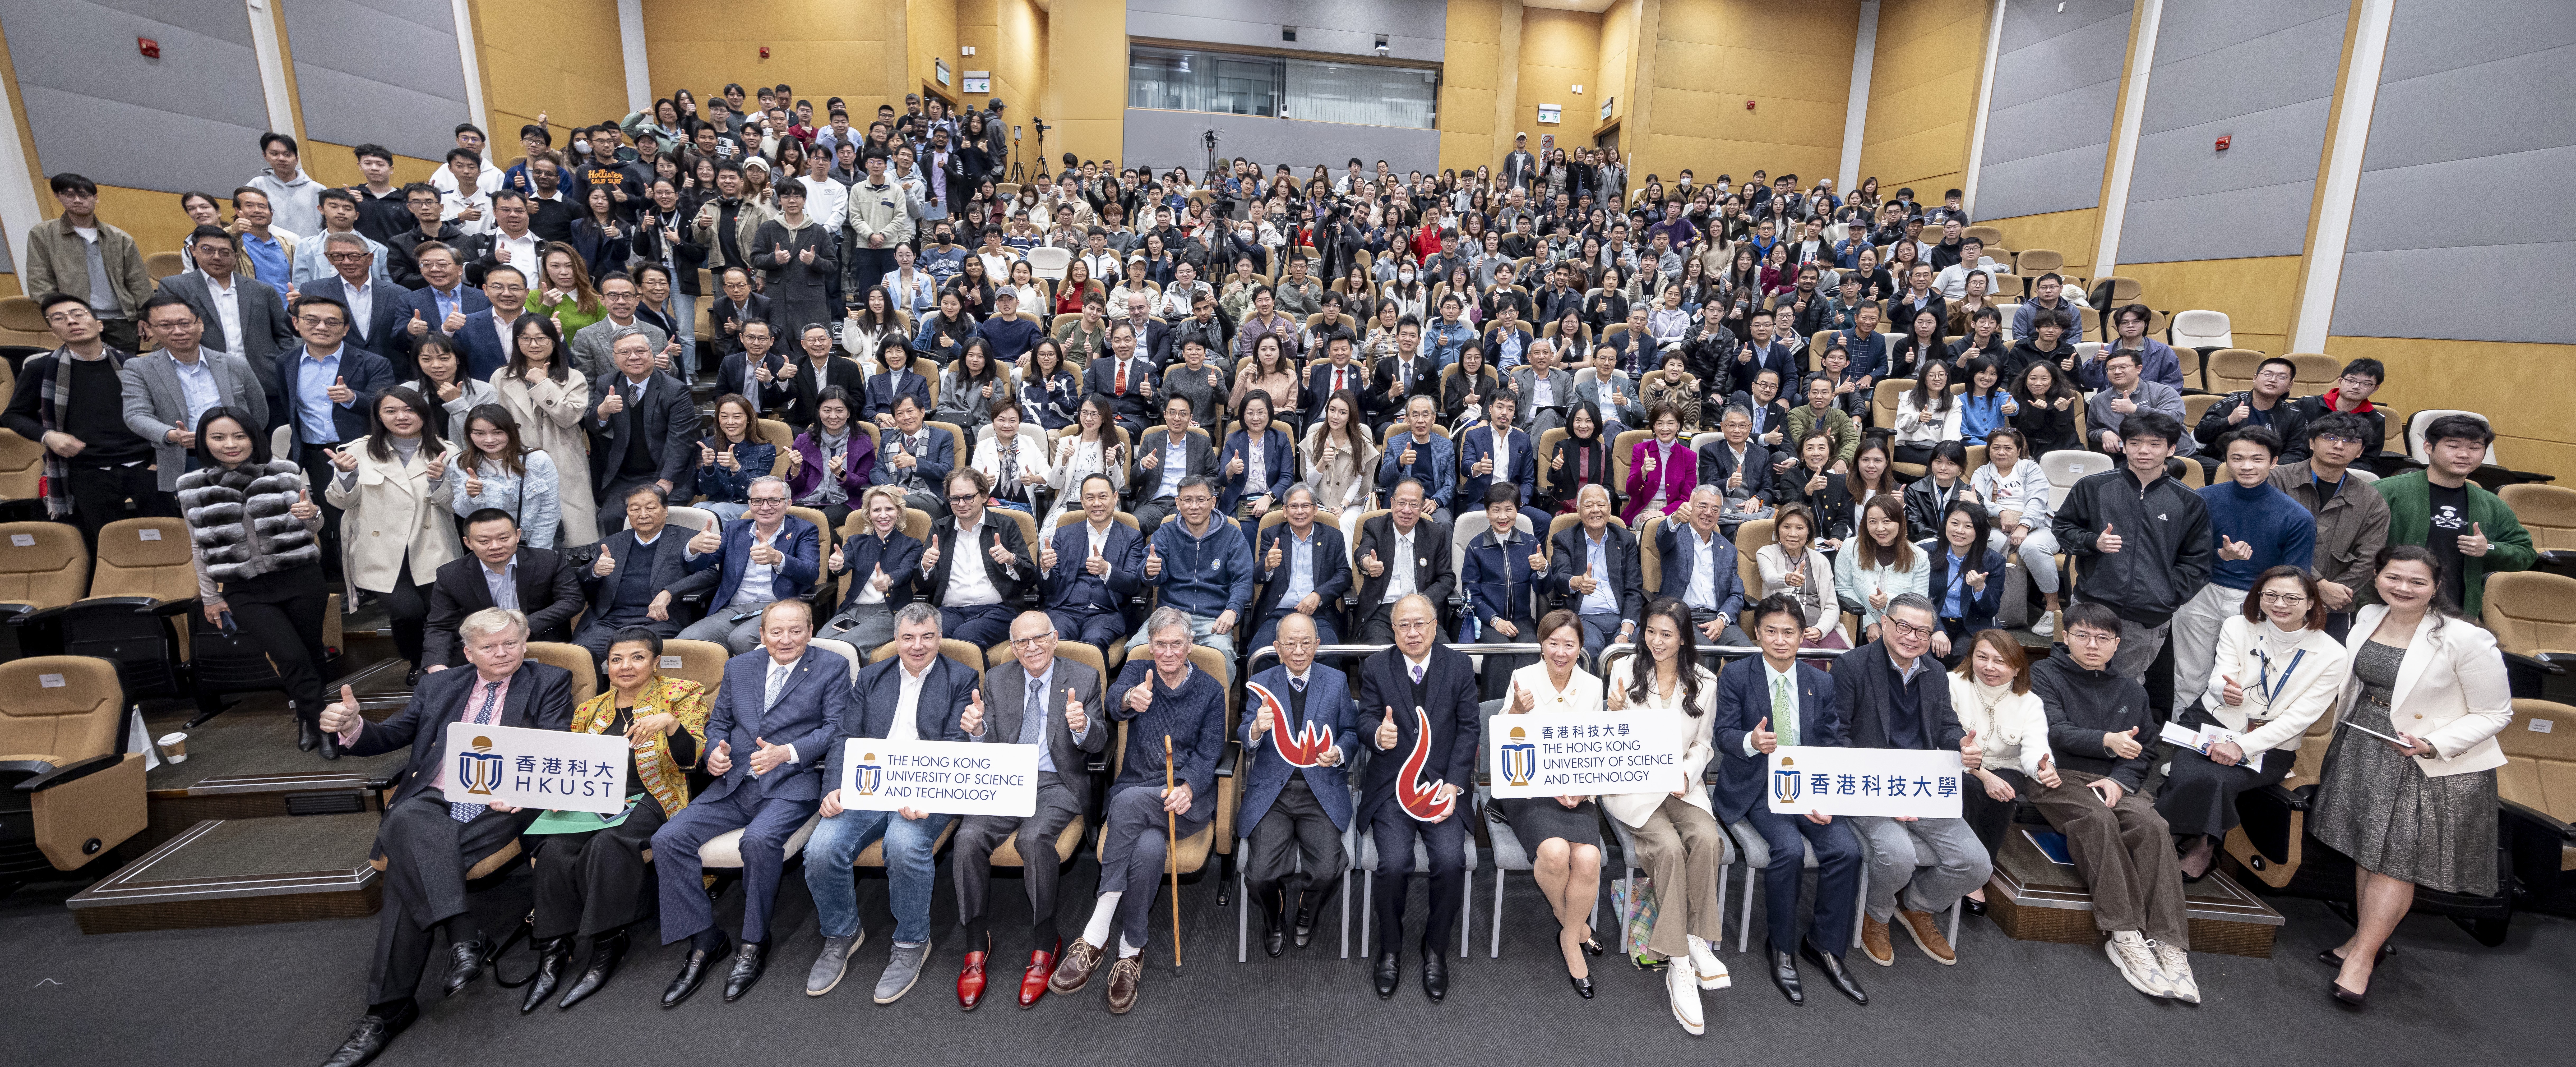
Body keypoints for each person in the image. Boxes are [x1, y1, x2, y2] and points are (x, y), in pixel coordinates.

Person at [312, 609, 572, 1067]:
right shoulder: (439, 685)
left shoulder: (550, 680)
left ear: (526, 640)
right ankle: (463, 935)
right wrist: (353, 725)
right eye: (489, 648)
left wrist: (519, 788)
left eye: (511, 643)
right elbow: (392, 734)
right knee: (410, 814)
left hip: (497, 806)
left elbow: (554, 744)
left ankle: (386, 1011)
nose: (503, 653)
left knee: (407, 867)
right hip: (435, 799)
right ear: (468, 653)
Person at [2310, 545, 2515, 1007]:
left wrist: (2434, 743)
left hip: (2428, 759)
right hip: (2365, 741)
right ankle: (2366, 940)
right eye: (2393, 578)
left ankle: (2360, 958)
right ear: (2377, 577)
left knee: (2395, 859)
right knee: (2369, 848)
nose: (2403, 588)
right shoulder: (2367, 616)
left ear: (2436, 587)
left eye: (2417, 582)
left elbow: (2496, 712)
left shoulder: (2465, 638)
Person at [648, 601, 846, 1006]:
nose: (786, 639)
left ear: (811, 632)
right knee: (668, 839)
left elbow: (836, 730)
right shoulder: (739, 668)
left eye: (796, 631)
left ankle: (753, 942)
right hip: (734, 783)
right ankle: (705, 938)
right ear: (762, 634)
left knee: (757, 842)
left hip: (792, 783)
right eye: (776, 632)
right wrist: (714, 753)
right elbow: (718, 722)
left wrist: (787, 752)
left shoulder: (831, 667)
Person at [1046, 608, 1227, 1013]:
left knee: (1125, 803)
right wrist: (1130, 697)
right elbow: (1114, 703)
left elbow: (1208, 753)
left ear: (1190, 647)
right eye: (1158, 644)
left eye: (1175, 644)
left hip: (1184, 802)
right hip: (1140, 793)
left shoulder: (1212, 690)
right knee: (1147, 851)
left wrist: (1189, 787)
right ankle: (1131, 951)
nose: (1165, 653)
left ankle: (1095, 931)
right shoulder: (1136, 670)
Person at [522, 628, 710, 1013]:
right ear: (606, 665)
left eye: (638, 657)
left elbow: (693, 760)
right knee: (555, 850)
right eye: (617, 659)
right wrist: (560, 795)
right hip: (595, 799)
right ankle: (554, 948)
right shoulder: (590, 709)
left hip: (655, 796)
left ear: (656, 662)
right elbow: (573, 765)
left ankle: (607, 943)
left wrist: (669, 724)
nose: (626, 666)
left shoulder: (682, 694)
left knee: (609, 844)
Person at [801, 603, 975, 1004]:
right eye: (908, 638)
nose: (917, 646)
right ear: (894, 639)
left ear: (939, 638)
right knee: (821, 849)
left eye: (927, 637)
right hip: (870, 786)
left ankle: (911, 942)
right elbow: (845, 737)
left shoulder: (962, 677)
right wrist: (835, 787)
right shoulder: (870, 676)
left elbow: (955, 744)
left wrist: (925, 792)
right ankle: (841, 934)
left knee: (904, 844)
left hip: (925, 790)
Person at [2027, 602, 2200, 1002]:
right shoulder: (2043, 674)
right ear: (2065, 636)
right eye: (2082, 636)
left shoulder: (2130, 689)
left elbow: (2143, 751)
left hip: (2114, 780)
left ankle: (2169, 944)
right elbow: (2052, 731)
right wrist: (2105, 741)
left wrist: (2120, 782)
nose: (2092, 645)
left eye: (2103, 638)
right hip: (2056, 775)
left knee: (2153, 826)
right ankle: (2123, 934)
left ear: (2117, 644)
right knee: (2096, 820)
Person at [1713, 594, 1869, 1006]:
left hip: (1810, 787)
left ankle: (1823, 946)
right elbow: (1723, 736)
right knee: (1787, 851)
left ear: (1803, 636)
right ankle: (1780, 947)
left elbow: (1833, 742)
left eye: (1788, 632)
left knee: (1846, 852)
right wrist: (1751, 741)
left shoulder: (1820, 681)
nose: (1779, 640)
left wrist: (1827, 793)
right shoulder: (1735, 675)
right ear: (1756, 633)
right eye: (1770, 631)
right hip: (1760, 788)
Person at [951, 610, 1109, 1006]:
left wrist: (1081, 727)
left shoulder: (1084, 676)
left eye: (1039, 638)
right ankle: (975, 943)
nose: (1032, 647)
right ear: (1012, 647)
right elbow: (986, 745)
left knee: (1034, 838)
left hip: (1057, 782)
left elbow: (1101, 741)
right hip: (1006, 779)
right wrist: (977, 731)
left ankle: (1045, 942)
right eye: (1022, 642)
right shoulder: (997, 679)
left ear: (1055, 639)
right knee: (967, 838)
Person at [2162, 565, 2348, 880]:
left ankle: (2202, 846)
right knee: (2187, 771)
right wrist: (2225, 691)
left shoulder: (2333, 654)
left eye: (2292, 598)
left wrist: (2241, 746)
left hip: (2269, 743)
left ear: (2311, 602)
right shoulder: (2238, 625)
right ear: (2258, 596)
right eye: (2271, 595)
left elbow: (2299, 719)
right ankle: (2168, 835)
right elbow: (2221, 674)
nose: (2280, 604)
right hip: (2213, 721)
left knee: (2219, 780)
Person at [1835, 593, 1991, 968]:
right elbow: (1835, 736)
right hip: (1867, 785)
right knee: (1898, 855)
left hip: (1919, 783)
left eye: (1922, 631)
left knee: (1975, 863)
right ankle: (1876, 913)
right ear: (1885, 623)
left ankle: (1918, 906)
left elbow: (1946, 727)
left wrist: (1961, 748)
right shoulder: (1851, 666)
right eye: (1903, 626)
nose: (1912, 637)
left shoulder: (1935, 672)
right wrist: (1882, 791)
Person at [1602, 599, 1731, 1031]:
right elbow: (1603, 740)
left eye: (1666, 634)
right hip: (1635, 786)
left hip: (1679, 784)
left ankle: (1696, 940)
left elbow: (1704, 744)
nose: (1656, 642)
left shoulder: (1705, 681)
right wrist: (1613, 711)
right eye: (1651, 632)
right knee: (1669, 849)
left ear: (1682, 638)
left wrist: (1688, 771)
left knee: (1708, 839)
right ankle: (1679, 960)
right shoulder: (1623, 671)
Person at [174, 409, 327, 753]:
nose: (230, 444)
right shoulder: (191, 486)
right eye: (219, 437)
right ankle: (323, 722)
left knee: (310, 652)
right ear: (205, 442)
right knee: (288, 655)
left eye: (239, 436)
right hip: (245, 589)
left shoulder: (284, 472)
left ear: (253, 437)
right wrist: (210, 597)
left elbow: (314, 527)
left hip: (300, 577)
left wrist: (313, 515)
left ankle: (311, 718)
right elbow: (198, 545)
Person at [1354, 594, 1479, 1002]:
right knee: (1392, 864)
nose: (1411, 632)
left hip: (1442, 786)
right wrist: (1377, 734)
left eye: (1419, 624)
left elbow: (1468, 729)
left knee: (1449, 861)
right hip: (1392, 788)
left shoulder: (1459, 666)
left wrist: (1455, 783)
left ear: (1434, 624)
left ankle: (1435, 950)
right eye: (1402, 626)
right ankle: (1390, 947)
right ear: (1392, 631)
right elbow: (1365, 718)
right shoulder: (1375, 667)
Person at [2053, 411, 2212, 691]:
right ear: (2124, 445)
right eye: (2136, 442)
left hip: (2148, 615)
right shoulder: (2094, 486)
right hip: (2094, 605)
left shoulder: (2189, 501)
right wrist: (2093, 542)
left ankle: (2117, 737)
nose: (2144, 451)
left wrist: (2168, 595)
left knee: (2126, 686)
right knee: (2075, 681)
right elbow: (2063, 527)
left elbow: (2197, 561)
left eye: (2155, 444)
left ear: (2171, 449)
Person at [1495, 611, 1610, 996]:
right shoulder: (1522, 679)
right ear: (1540, 645)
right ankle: (1573, 930)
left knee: (1590, 858)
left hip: (1576, 788)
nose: (1560, 652)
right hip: (1527, 787)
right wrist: (1514, 713)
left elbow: (1599, 748)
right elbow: (1501, 743)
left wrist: (1582, 787)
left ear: (1581, 648)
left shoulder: (1593, 687)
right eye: (1552, 643)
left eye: (1569, 645)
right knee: (1557, 853)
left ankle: (1567, 932)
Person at [0, 295, 167, 550]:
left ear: (99, 325)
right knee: (108, 548)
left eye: (79, 314)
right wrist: (49, 437)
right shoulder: (41, 369)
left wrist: (157, 462)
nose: (71, 321)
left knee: (164, 541)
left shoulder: (134, 366)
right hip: (87, 473)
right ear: (53, 332)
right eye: (60, 318)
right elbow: (12, 416)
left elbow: (164, 414)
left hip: (144, 468)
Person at [2171, 427, 2317, 706]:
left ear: (2274, 462)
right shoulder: (2203, 498)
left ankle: (2235, 745)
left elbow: (2296, 576)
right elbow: (2180, 553)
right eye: (2237, 458)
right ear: (2226, 461)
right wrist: (2220, 556)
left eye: (2257, 459)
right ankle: (2185, 742)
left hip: (2257, 599)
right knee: (2189, 676)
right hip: (2202, 592)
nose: (2247, 466)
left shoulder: (2297, 516)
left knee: (2244, 681)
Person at [1240, 612, 1357, 958]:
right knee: (1259, 875)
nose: (1298, 650)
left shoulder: (1336, 682)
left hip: (1319, 790)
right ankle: (1274, 915)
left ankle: (1307, 908)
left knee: (1326, 869)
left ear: (1318, 645)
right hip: (1272, 792)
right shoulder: (1262, 682)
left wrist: (1338, 752)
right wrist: (1256, 729)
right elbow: (1243, 736)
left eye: (1306, 642)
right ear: (1276, 648)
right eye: (1290, 643)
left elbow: (1350, 733)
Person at [324, 388, 460, 681]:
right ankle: (416, 662)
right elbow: (340, 502)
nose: (402, 417)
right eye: (391, 411)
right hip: (380, 552)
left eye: (410, 409)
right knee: (408, 611)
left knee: (437, 610)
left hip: (431, 546)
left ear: (424, 413)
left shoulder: (448, 451)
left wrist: (438, 483)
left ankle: (442, 665)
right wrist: (347, 476)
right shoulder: (357, 451)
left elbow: (458, 506)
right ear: (378, 416)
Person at [2372, 414, 2534, 619]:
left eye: (2475, 448)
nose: (2464, 455)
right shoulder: (2385, 492)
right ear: (2428, 447)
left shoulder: (2492, 504)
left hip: (2457, 612)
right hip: (2386, 607)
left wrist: (2489, 548)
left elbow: (2525, 554)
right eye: (2453, 446)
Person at [120, 294, 268, 496]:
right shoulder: (138, 368)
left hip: (237, 457)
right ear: (149, 329)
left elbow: (259, 413)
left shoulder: (235, 364)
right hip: (183, 458)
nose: (179, 332)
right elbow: (136, 415)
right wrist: (171, 435)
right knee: (196, 522)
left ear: (201, 325)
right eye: (166, 325)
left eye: (185, 323)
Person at [1949, 630, 2052, 914]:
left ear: (2017, 667)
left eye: (2001, 661)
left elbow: (2035, 749)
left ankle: (1977, 874)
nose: (1990, 667)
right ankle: (1954, 866)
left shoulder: (2030, 702)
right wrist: (1982, 774)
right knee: (1968, 788)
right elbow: (1943, 739)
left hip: (2006, 766)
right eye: (1982, 657)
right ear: (1971, 658)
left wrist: (2046, 767)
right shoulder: (1952, 684)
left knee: (2004, 793)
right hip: (1955, 764)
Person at [670, 475, 822, 652]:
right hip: (734, 609)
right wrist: (693, 549)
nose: (765, 507)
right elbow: (702, 564)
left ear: (787, 504)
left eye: (774, 500)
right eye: (758, 501)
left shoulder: (804, 530)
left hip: (779, 608)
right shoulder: (735, 530)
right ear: (750, 504)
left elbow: (810, 573)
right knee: (687, 642)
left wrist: (777, 558)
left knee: (741, 639)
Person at [420, 505, 584, 669]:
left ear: (518, 535)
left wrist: (525, 626)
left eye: (504, 539)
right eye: (484, 541)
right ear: (468, 543)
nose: (495, 546)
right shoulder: (451, 574)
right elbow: (440, 625)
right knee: (436, 680)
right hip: (482, 649)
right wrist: (436, 665)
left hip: (539, 640)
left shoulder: (548, 561)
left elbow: (572, 600)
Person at [2269, 413, 2389, 633]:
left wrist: (2335, 595)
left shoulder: (2371, 499)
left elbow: (2370, 556)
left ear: (2361, 451)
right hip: (2274, 596)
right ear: (2312, 442)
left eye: (2351, 441)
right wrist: (2319, 586)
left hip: (2334, 606)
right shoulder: (2276, 481)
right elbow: (2270, 540)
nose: (2340, 446)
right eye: (2330, 437)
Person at [162, 224, 299, 411]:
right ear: (194, 251)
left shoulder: (262, 290)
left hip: (263, 379)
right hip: (204, 380)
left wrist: (279, 368)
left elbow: (284, 335)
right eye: (207, 250)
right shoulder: (175, 287)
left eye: (225, 252)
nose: (217, 257)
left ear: (236, 257)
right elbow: (168, 334)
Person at [490, 313, 600, 545]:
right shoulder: (501, 377)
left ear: (554, 340)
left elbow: (569, 418)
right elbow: (493, 423)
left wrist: (543, 384)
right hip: (517, 461)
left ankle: (579, 579)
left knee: (577, 536)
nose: (534, 345)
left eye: (541, 338)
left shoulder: (574, 378)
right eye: (526, 339)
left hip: (565, 461)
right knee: (527, 536)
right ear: (516, 342)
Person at [24, 173, 149, 352]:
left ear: (95, 198)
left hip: (122, 320)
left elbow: (139, 282)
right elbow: (39, 280)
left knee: (126, 375)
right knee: (84, 373)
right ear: (58, 196)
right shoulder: (43, 234)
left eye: (84, 196)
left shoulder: (120, 238)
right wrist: (58, 315)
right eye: (69, 195)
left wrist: (147, 316)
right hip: (75, 320)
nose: (77, 201)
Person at [1135, 475, 1254, 657]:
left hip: (1213, 618)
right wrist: (1150, 571)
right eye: (1187, 500)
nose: (1194, 507)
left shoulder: (1232, 535)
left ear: (1213, 502)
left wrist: (1233, 609)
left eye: (1201, 500)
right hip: (1170, 615)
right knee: (1138, 648)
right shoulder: (1165, 533)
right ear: (1178, 502)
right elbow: (1153, 573)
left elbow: (1243, 579)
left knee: (1221, 654)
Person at [574, 485, 693, 662]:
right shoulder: (610, 544)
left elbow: (709, 575)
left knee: (635, 656)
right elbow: (583, 587)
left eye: (651, 508)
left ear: (666, 510)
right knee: (579, 657)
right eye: (635, 509)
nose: (643, 515)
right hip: (610, 621)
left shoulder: (689, 539)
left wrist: (670, 592)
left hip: (660, 621)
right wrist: (596, 572)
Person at [920, 468, 1031, 647]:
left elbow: (1029, 579)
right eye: (955, 499)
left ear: (985, 496)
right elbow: (923, 586)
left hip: (998, 611)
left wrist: (1012, 561)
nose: (961, 504)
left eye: (968, 497)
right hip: (950, 611)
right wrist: (926, 568)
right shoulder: (940, 530)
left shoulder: (1006, 526)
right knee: (933, 637)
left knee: (965, 637)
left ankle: (979, 676)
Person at [1969, 429, 2061, 634]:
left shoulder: (2030, 467)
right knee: (1990, 543)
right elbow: (1977, 501)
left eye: (2008, 448)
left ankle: (2052, 609)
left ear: (2019, 450)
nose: (2002, 453)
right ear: (1989, 450)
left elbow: (2037, 501)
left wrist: (2024, 525)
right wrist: (2001, 511)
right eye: (1996, 448)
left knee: (2032, 547)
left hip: (2037, 526)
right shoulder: (1983, 472)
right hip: (1995, 526)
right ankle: (1995, 609)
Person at [1248, 483, 1351, 651]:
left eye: (1305, 506)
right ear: (1285, 511)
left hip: (1318, 614)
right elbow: (1257, 576)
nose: (1300, 511)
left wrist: (1319, 595)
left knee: (1329, 655)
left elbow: (1345, 575)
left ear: (1316, 510)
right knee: (1261, 654)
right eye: (1294, 506)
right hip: (1277, 613)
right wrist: (1267, 566)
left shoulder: (1333, 537)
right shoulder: (1272, 535)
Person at [1548, 483, 1647, 659]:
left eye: (1601, 505)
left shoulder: (1626, 540)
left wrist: (1626, 632)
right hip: (1584, 620)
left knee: (1644, 648)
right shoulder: (1564, 540)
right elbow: (1560, 577)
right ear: (1578, 511)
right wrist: (1577, 582)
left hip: (1621, 618)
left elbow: (1634, 588)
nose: (1596, 511)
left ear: (1610, 509)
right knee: (1589, 649)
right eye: (1588, 506)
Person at [817, 485, 923, 647]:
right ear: (868, 515)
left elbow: (906, 571)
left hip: (890, 613)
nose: (883, 516)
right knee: (821, 642)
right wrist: (838, 565)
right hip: (853, 611)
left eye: (889, 509)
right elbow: (845, 565)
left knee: (847, 645)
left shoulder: (912, 545)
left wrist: (889, 580)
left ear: (899, 512)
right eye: (876, 510)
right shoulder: (856, 542)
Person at [1354, 479, 1456, 643]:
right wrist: (1367, 563)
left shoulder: (1436, 534)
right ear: (1393, 503)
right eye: (1402, 503)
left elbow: (1447, 578)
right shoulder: (1375, 527)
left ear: (1422, 507)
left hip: (1422, 612)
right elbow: (1364, 550)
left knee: (1444, 656)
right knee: (1379, 660)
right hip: (1383, 613)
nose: (1406, 510)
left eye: (1414, 505)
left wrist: (1422, 600)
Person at [1658, 486, 1752, 651]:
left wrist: (1722, 620)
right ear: (1692, 505)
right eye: (1703, 506)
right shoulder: (1676, 534)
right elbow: (1663, 536)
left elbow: (1737, 593)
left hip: (1717, 619)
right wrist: (1675, 518)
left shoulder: (1728, 548)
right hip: (1682, 617)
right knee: (1707, 653)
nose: (1708, 513)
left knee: (1748, 654)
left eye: (1715, 509)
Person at [1837, 496, 1928, 645]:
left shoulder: (1920, 557)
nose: (1880, 528)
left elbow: (1919, 601)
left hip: (1905, 631)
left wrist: (1889, 601)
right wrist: (1869, 623)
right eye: (1873, 522)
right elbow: (1844, 588)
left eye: (1887, 521)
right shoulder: (1850, 547)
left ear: (1900, 522)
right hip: (1861, 628)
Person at [1924, 499, 2006, 657]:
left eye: (1968, 526)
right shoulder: (1925, 554)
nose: (1960, 531)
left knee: (1965, 656)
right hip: (1933, 620)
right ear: (1946, 524)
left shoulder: (1994, 561)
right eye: (1954, 523)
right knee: (1924, 655)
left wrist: (1980, 588)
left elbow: (1991, 611)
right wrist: (1937, 628)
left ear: (1979, 531)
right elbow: (1921, 598)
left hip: (1972, 624)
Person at [787, 386, 876, 530]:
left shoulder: (862, 442)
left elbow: (865, 485)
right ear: (819, 412)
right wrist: (796, 469)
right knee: (789, 519)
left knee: (819, 523)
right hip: (810, 499)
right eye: (827, 410)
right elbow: (795, 489)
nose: (833, 416)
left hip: (845, 501)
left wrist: (841, 474)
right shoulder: (804, 441)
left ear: (848, 413)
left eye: (840, 411)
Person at [2193, 356, 2307, 460]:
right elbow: (2200, 435)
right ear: (2255, 378)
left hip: (2272, 470)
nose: (2273, 380)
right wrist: (2229, 421)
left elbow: (2297, 451)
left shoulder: (2294, 415)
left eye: (2282, 377)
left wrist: (2277, 469)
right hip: (2225, 465)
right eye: (2268, 375)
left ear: (2290, 385)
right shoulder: (2230, 404)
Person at [2086, 349, 2193, 461]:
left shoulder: (2163, 391)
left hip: (2176, 457)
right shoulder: (2099, 400)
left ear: (2139, 369)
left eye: (2123, 367)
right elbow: (2092, 430)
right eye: (2112, 369)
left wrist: (2135, 409)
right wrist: (2103, 433)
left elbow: (2175, 418)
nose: (2117, 372)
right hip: (2129, 458)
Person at [1043, 395, 1130, 530]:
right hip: (1069, 505)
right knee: (1053, 530)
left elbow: (1117, 487)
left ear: (1103, 418)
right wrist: (1064, 460)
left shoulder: (1115, 446)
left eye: (1095, 414)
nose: (1089, 419)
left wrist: (1112, 464)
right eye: (1085, 413)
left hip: (1101, 504)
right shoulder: (1066, 443)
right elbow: (1054, 484)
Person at [2289, 359, 2390, 468]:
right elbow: (2290, 444)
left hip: (2344, 475)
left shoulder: (2376, 419)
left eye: (2366, 384)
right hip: (2298, 467)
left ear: (2375, 389)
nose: (2356, 387)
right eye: (2351, 381)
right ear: (2341, 382)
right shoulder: (2308, 404)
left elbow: (2367, 460)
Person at [870, 393, 952, 515]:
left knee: (887, 504)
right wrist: (890, 487)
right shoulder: (888, 438)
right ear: (895, 418)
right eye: (900, 414)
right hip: (896, 495)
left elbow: (947, 472)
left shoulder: (942, 437)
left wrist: (915, 463)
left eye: (910, 411)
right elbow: (877, 470)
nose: (906, 417)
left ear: (922, 412)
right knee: (878, 502)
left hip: (931, 496)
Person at [1221, 391, 1296, 525]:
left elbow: (1287, 477)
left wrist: (1269, 498)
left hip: (1272, 500)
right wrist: (1230, 470)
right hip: (1240, 501)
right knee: (1244, 529)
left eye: (1261, 413)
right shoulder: (1233, 440)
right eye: (1250, 413)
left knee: (1275, 528)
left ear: (1270, 414)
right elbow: (1221, 479)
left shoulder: (1281, 439)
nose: (1256, 418)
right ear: (1243, 415)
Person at [694, 394, 773, 521]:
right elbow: (707, 490)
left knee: (720, 510)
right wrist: (708, 468)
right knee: (698, 509)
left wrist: (735, 467)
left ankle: (726, 542)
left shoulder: (765, 450)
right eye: (724, 417)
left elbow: (755, 493)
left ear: (748, 419)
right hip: (717, 503)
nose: (730, 422)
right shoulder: (707, 446)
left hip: (749, 505)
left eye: (737, 417)